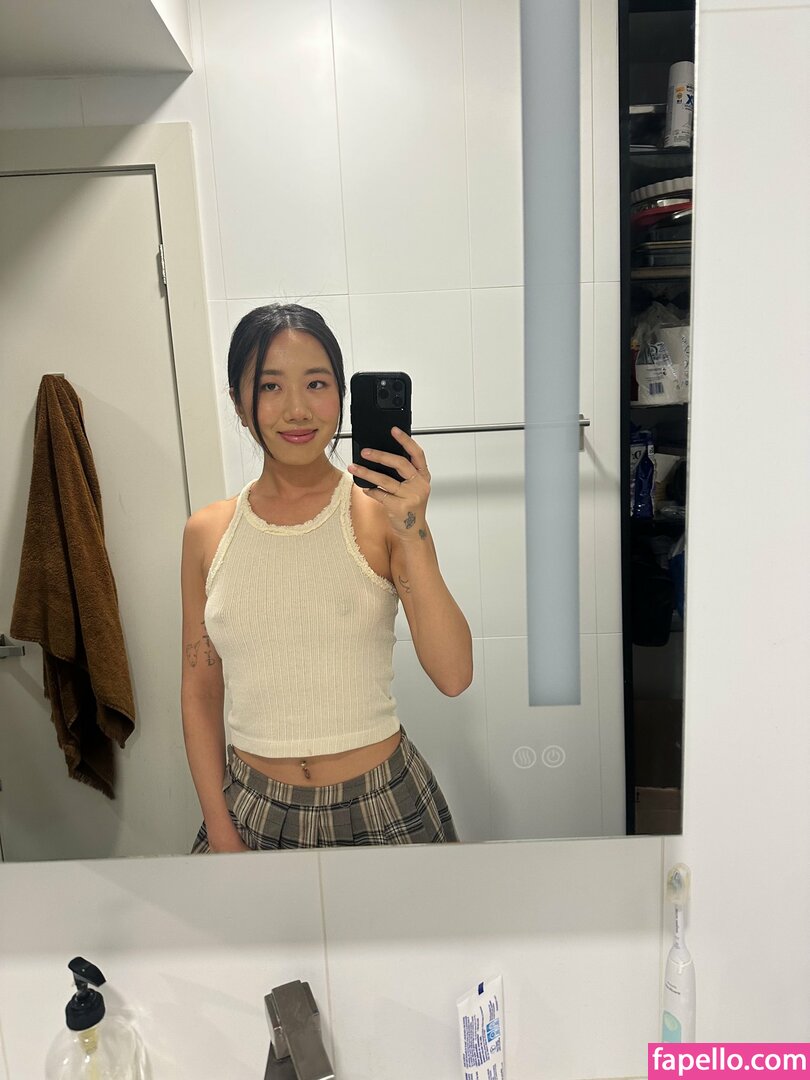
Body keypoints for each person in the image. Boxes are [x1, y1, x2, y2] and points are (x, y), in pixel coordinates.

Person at [181, 303, 472, 852]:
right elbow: (200, 690)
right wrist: (219, 827)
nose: (297, 409)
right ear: (238, 403)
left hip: (382, 802)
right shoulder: (206, 533)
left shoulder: (383, 517)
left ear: (342, 394)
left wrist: (413, 530)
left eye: (316, 383)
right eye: (270, 386)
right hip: (249, 808)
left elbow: (454, 674)